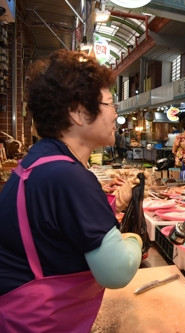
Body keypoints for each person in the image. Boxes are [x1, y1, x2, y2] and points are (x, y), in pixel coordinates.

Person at [0, 49, 142, 331]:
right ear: (78, 112)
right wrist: (134, 238)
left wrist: (114, 204)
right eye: (110, 104)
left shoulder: (42, 160)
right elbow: (116, 271)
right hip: (42, 321)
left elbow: (55, 225)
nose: (116, 113)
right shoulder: (67, 175)